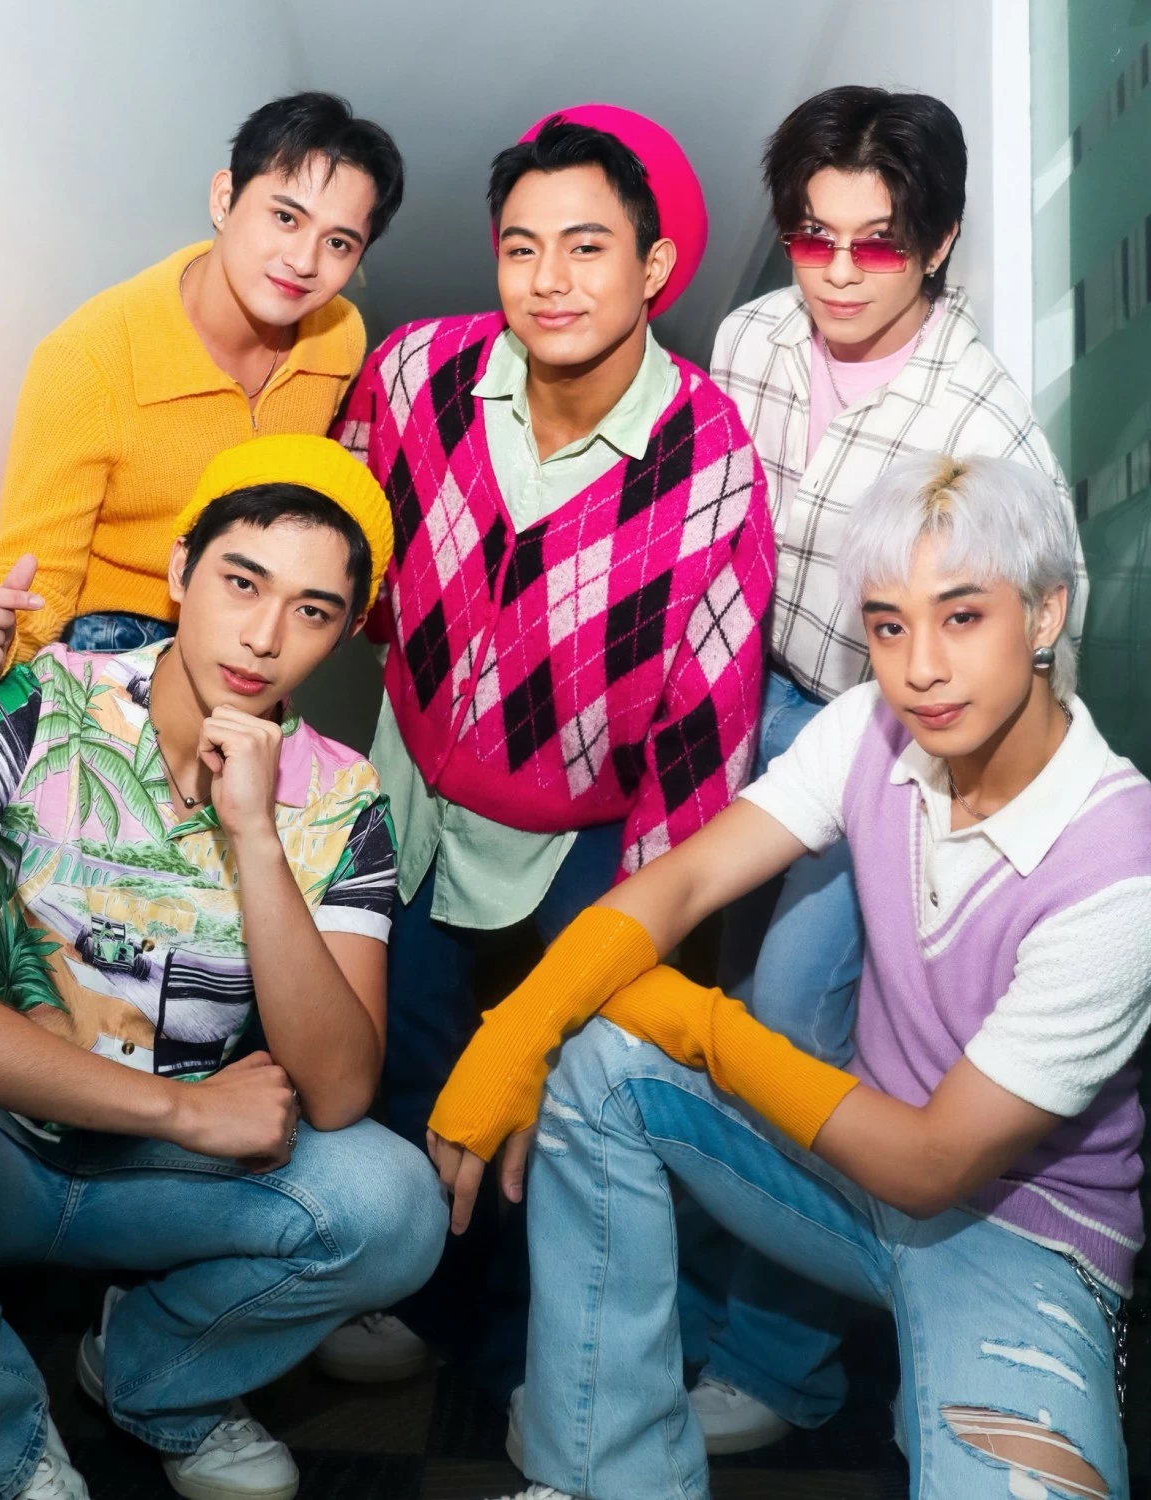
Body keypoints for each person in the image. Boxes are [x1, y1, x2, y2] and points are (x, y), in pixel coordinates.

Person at [425, 453, 1147, 1500]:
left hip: (1020, 1237)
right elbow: (683, 882)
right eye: (889, 626)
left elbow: (935, 1163)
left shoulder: (1121, 869)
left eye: (962, 617)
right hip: (848, 1179)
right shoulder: (869, 729)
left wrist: (704, 1026)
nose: (921, 668)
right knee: (597, 1051)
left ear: (1045, 615)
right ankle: (597, 1475)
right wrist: (518, 1028)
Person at [319, 106, 775, 1405]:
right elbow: (340, 536)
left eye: (587, 246)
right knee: (410, 1049)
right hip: (412, 785)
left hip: (588, 828)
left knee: (563, 1082)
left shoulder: (710, 459)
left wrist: (651, 915)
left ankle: (534, 1345)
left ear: (655, 266)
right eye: (522, 248)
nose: (550, 280)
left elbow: (707, 720)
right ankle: (426, 1296)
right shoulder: (420, 371)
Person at [685, 84, 1090, 1450]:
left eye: (880, 243)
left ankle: (777, 1365)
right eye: (814, 237)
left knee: (798, 1020)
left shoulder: (982, 416)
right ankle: (716, 1291)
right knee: (717, 995)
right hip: (752, 698)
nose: (841, 273)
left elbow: (1047, 630)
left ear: (941, 243)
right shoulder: (749, 339)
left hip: (892, 737)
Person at [0, 435, 447, 1500]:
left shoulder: (339, 794)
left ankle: (154, 1377)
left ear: (344, 633)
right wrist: (180, 1109)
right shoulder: (27, 701)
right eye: (242, 582)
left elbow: (339, 1091)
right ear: (180, 570)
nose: (264, 637)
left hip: (161, 1180)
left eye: (312, 610)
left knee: (395, 1205)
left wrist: (257, 836)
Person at [0, 91, 403, 686]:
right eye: (286, 217)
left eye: (339, 242)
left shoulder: (341, 336)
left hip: (250, 629)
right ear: (224, 199)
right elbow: (35, 572)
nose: (304, 260)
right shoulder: (90, 359)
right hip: (114, 634)